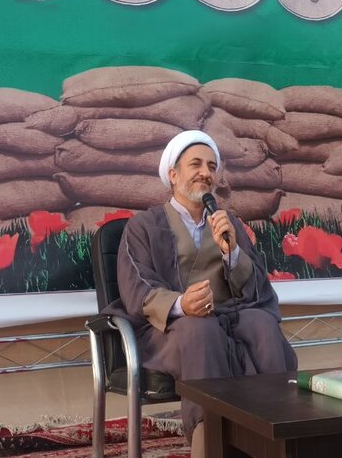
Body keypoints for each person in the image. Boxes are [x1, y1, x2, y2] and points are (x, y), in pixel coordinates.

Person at [104, 130, 298, 456]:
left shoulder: (228, 224)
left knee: (262, 326)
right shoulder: (143, 226)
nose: (205, 173)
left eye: (211, 166)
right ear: (173, 174)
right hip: (169, 331)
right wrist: (181, 305)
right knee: (200, 330)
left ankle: (275, 439)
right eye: (195, 164)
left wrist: (232, 254)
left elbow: (257, 288)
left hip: (229, 318)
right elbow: (136, 286)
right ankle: (207, 443)